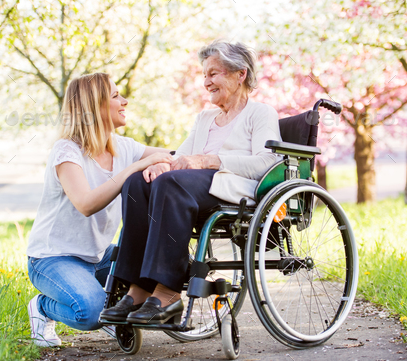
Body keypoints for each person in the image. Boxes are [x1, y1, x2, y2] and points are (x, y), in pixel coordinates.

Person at [100, 41, 280, 325]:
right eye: (204, 75)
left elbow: (266, 163)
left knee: (171, 184)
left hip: (232, 188)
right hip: (195, 185)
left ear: (240, 74)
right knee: (137, 183)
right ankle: (139, 287)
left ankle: (168, 291)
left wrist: (209, 160)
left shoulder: (260, 113)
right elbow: (181, 156)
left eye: (213, 74)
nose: (206, 82)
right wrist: (162, 162)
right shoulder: (205, 118)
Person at [26, 73, 172, 347]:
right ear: (94, 107)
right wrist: (135, 168)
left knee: (155, 275)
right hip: (53, 258)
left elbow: (174, 155)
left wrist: (159, 163)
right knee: (91, 313)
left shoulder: (125, 147)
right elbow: (86, 204)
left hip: (99, 256)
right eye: (116, 96)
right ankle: (42, 307)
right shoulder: (67, 152)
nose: (124, 101)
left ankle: (107, 304)